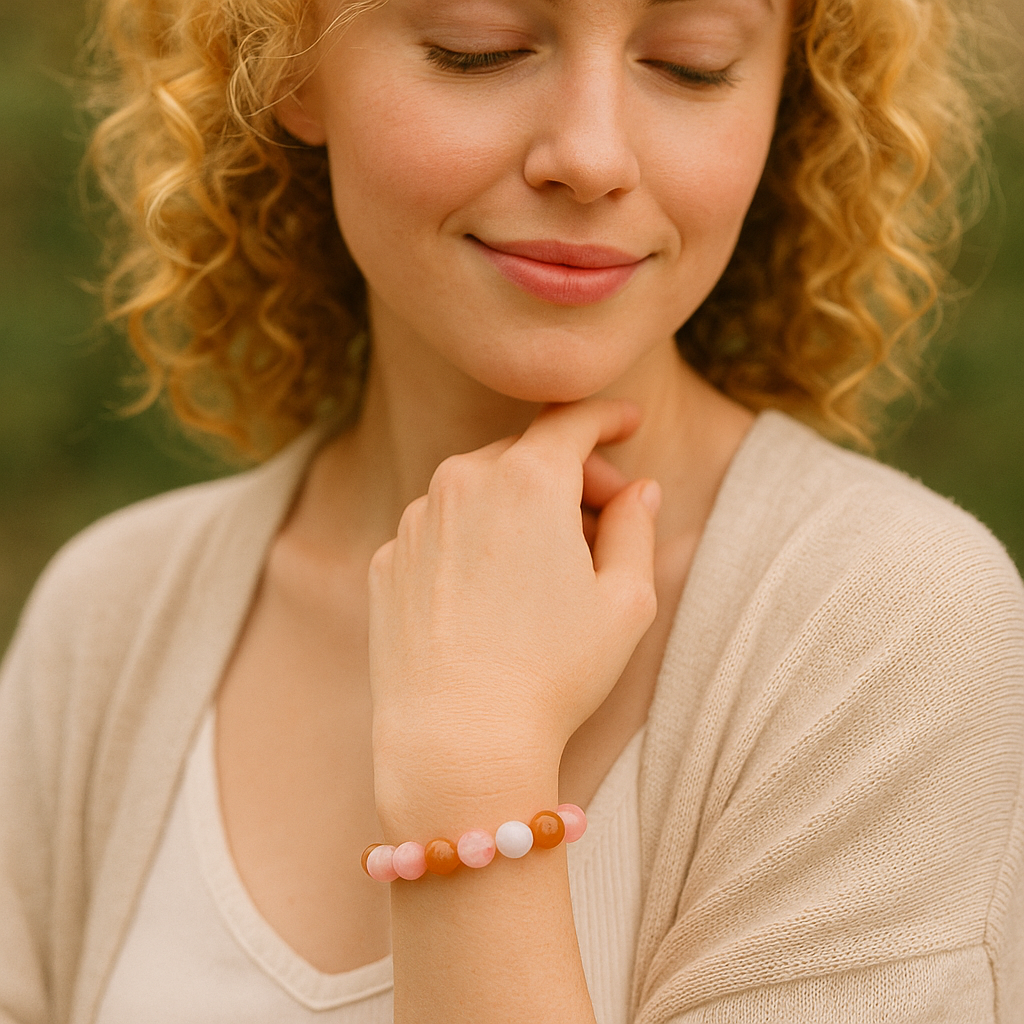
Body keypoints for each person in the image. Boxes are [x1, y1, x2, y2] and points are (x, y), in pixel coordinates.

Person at [1, 0, 1022, 1021]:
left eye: (692, 63)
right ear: (289, 65)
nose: (591, 156)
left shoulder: (887, 631)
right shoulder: (110, 619)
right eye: (476, 48)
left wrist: (473, 772)